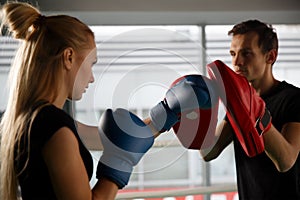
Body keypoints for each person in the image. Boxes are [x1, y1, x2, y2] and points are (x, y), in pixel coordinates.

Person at [0, 2, 158, 200]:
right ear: (68, 57)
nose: (92, 78)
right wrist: (119, 165)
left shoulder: (35, 118)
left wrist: (168, 112)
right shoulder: (54, 126)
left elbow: (116, 137)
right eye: (91, 64)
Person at [200, 20, 300, 199]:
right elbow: (208, 152)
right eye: (233, 54)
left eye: (246, 53)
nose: (236, 62)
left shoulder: (293, 99)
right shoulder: (238, 101)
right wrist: (197, 113)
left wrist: (254, 110)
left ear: (270, 57)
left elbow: (286, 161)